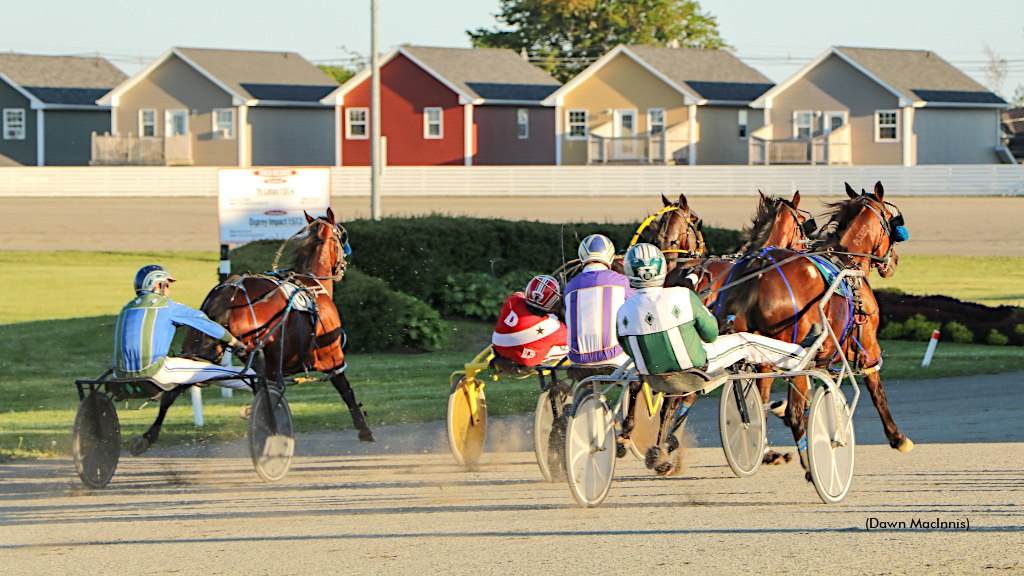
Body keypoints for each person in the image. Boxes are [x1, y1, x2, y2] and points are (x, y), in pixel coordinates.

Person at [616, 244, 821, 375]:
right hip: (695, 365)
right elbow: (712, 333)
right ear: (660, 268)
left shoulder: (623, 311)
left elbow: (628, 347)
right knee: (746, 341)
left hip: (649, 372)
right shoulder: (681, 295)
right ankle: (800, 357)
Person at [113, 265, 255, 392]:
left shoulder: (126, 309)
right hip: (157, 371)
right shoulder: (167, 306)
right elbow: (206, 324)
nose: (168, 291)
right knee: (242, 374)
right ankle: (266, 395)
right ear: (158, 286)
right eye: (167, 286)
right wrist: (233, 342)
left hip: (119, 374)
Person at [564, 234, 633, 366]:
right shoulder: (620, 281)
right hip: (615, 358)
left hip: (576, 360)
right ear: (609, 255)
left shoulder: (570, 286)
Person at [491, 275, 569, 367]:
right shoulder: (553, 326)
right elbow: (571, 338)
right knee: (570, 347)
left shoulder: (512, 300)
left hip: (498, 351)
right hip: (524, 362)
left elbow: (520, 292)